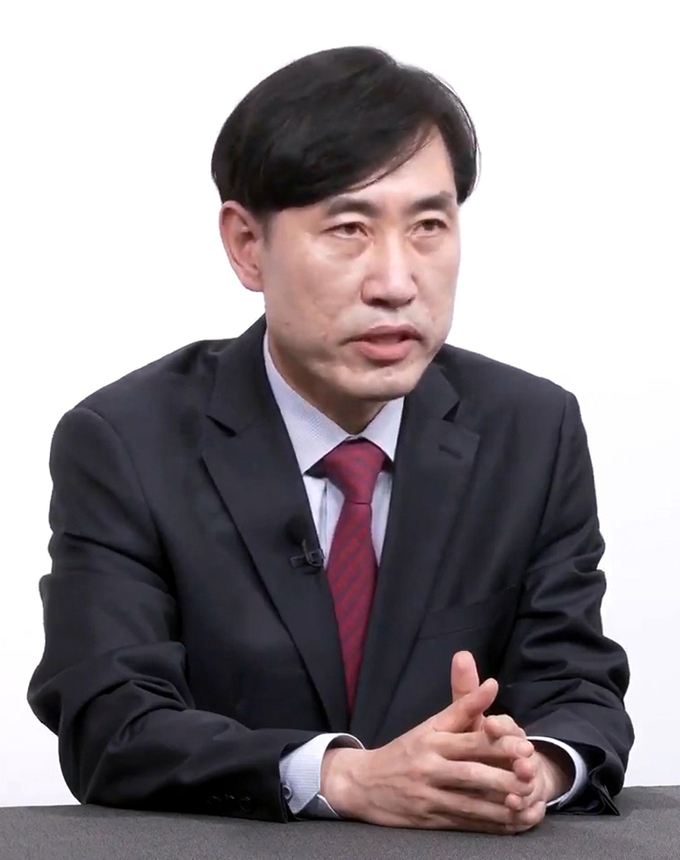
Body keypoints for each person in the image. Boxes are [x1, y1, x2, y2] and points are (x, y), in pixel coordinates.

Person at [28, 46, 633, 834]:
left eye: (429, 226)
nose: (396, 281)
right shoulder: (125, 444)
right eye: (349, 229)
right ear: (248, 246)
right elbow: (110, 722)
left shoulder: (531, 429)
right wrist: (344, 777)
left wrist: (533, 768)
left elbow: (578, 685)